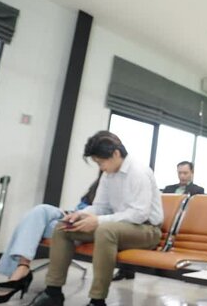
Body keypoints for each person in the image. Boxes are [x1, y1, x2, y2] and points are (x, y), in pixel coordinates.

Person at [29, 131, 163, 306]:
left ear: (115, 154)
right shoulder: (108, 175)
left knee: (105, 229)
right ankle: (53, 292)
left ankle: (97, 300)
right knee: (63, 228)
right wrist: (82, 214)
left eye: (101, 162)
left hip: (146, 230)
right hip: (118, 228)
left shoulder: (139, 172)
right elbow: (100, 206)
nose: (100, 167)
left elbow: (139, 214)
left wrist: (98, 220)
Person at [0, 177, 100, 305]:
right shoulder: (103, 180)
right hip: (75, 216)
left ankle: (19, 275)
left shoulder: (121, 180)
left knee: (33, 226)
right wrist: (72, 214)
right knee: (40, 210)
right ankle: (23, 267)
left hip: (92, 224)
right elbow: (82, 206)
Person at [111, 160, 205, 282]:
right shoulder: (168, 188)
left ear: (192, 173)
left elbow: (195, 211)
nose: (182, 176)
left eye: (185, 173)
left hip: (183, 224)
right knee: (131, 231)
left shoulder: (198, 190)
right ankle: (126, 270)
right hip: (164, 221)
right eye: (179, 173)